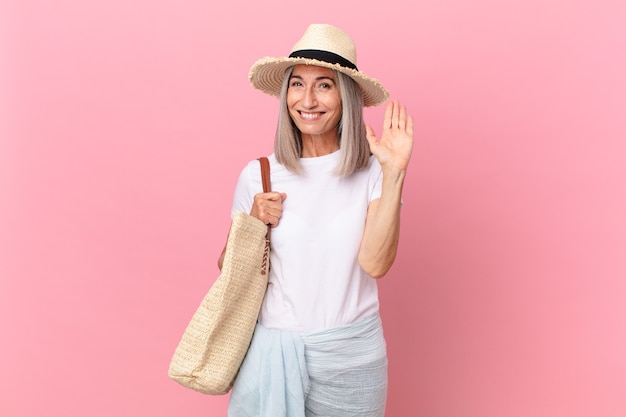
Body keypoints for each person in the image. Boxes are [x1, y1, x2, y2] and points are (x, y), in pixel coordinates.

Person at [218, 23, 414, 417]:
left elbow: (376, 264)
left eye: (324, 85)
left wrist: (394, 174)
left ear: (345, 96)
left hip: (351, 359)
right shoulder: (258, 175)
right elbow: (229, 271)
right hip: (273, 355)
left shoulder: (373, 173)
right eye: (297, 85)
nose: (308, 100)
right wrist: (254, 224)